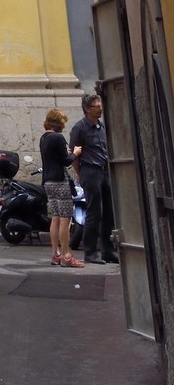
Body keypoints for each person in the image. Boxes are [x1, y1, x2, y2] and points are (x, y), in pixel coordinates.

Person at [69, 93, 117, 265]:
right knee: (94, 212)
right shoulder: (80, 128)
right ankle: (90, 252)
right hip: (90, 171)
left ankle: (108, 250)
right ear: (87, 109)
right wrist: (80, 174)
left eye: (100, 105)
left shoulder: (102, 127)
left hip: (105, 171)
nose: (100, 108)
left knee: (109, 212)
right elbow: (74, 154)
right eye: (97, 106)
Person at [41, 107, 84, 268]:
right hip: (60, 181)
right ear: (58, 123)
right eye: (62, 122)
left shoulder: (44, 138)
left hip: (48, 181)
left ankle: (55, 253)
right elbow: (66, 160)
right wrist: (76, 153)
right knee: (65, 218)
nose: (64, 126)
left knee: (56, 217)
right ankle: (66, 255)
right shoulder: (57, 138)